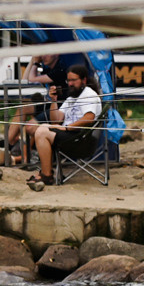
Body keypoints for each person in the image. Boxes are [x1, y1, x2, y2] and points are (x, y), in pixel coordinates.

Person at [24, 63, 103, 191]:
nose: (70, 84)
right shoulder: (72, 97)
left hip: (80, 139)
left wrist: (67, 128)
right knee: (42, 127)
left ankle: (46, 175)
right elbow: (56, 119)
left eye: (73, 80)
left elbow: (89, 118)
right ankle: (47, 172)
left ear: (83, 80)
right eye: (69, 80)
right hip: (70, 136)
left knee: (41, 132)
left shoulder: (89, 95)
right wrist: (53, 100)